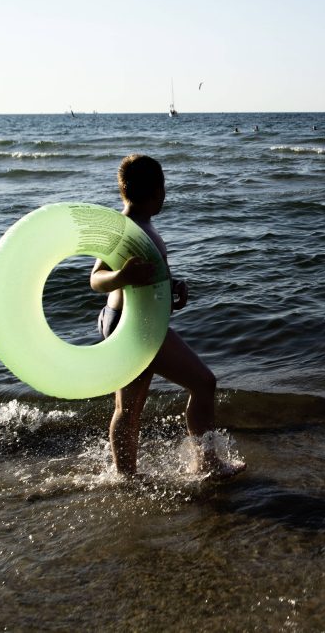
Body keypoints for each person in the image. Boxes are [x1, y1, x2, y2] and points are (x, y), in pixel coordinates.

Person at [91, 154, 245, 479]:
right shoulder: (125, 229)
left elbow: (148, 274)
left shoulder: (142, 223)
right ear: (157, 191)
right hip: (133, 327)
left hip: (132, 322)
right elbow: (97, 279)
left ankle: (126, 476)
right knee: (204, 383)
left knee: (130, 408)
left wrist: (172, 284)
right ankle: (207, 463)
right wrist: (123, 276)